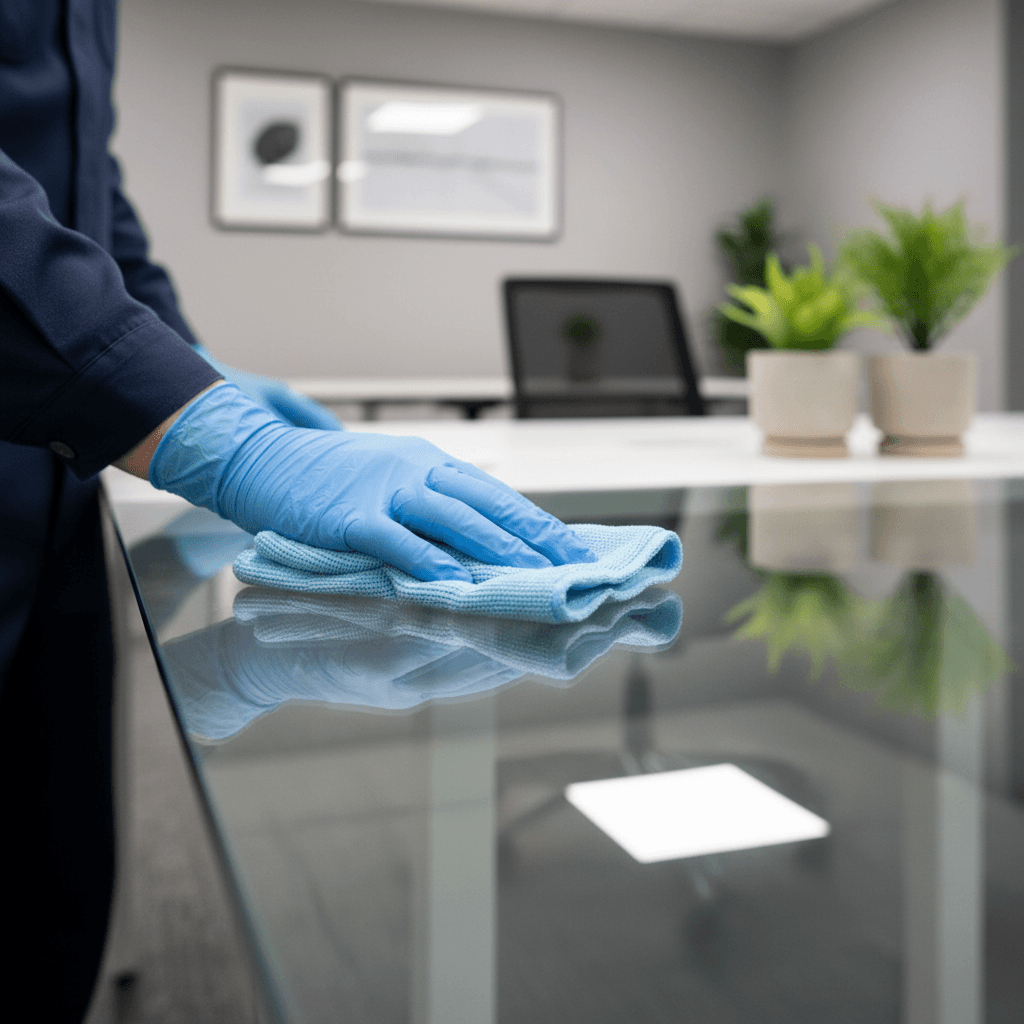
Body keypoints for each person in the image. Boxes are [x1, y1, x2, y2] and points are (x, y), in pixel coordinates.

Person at [0, 2, 592, 1018]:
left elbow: (88, 197)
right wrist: (197, 423)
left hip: (59, 498)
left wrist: (189, 364)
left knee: (47, 895)